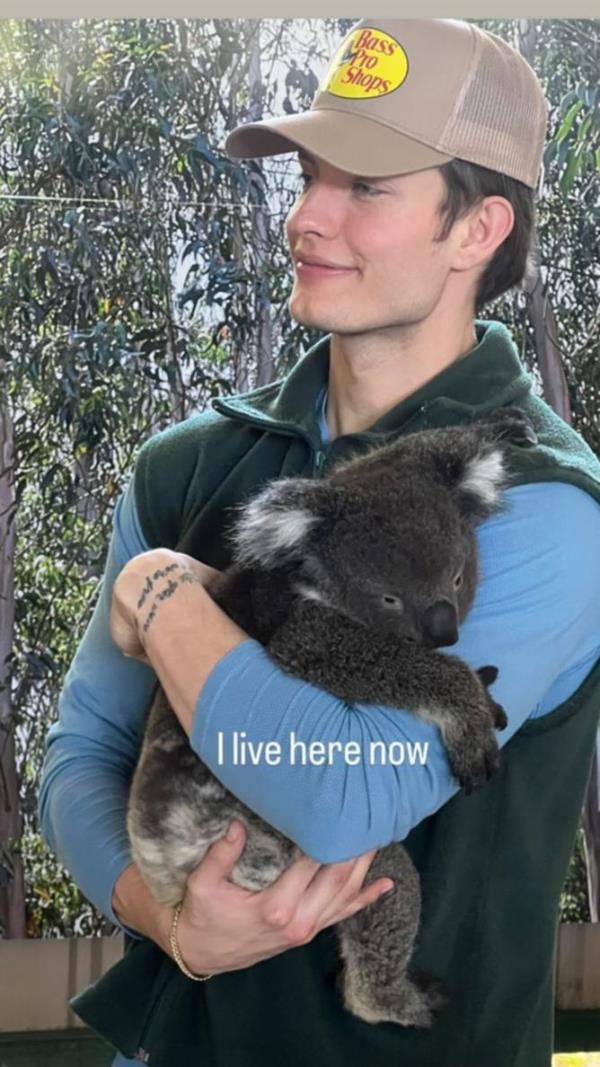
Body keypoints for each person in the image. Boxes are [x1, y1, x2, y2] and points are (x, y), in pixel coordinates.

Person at [38, 17, 600, 1067]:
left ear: (476, 229)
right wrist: (166, 920)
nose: (307, 217)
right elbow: (82, 755)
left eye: (366, 188)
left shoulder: (550, 506)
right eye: (308, 177)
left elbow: (340, 795)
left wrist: (167, 594)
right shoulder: (191, 463)